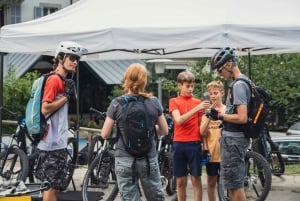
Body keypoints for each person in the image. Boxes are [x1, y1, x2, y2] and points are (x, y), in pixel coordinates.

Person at [100, 63, 168, 201]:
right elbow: (164, 130)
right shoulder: (153, 102)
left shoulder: (116, 103)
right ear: (144, 80)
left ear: (126, 79)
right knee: (156, 197)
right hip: (148, 158)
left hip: (124, 158)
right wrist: (151, 128)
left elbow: (105, 134)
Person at [37, 41, 87, 201]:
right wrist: (66, 97)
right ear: (60, 58)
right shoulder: (55, 80)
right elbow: (45, 108)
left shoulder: (61, 81)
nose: (75, 62)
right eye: (72, 57)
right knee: (52, 187)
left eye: (77, 59)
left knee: (50, 187)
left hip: (54, 142)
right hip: (52, 144)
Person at [207, 47, 251, 201]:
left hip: (233, 141)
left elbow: (242, 117)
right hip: (233, 139)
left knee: (235, 186)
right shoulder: (243, 82)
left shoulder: (238, 86)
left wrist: (220, 116)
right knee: (232, 185)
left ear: (229, 64)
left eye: (220, 69)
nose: (219, 74)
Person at [169, 71, 211, 201]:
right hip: (179, 143)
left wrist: (205, 145)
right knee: (180, 180)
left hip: (194, 143)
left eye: (192, 86)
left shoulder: (197, 102)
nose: (190, 89)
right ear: (179, 86)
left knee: (196, 178)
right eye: (188, 86)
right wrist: (197, 108)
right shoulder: (174, 101)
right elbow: (179, 120)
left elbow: (201, 127)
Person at [200, 81, 226, 201]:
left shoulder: (227, 110)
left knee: (228, 183)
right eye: (210, 94)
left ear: (222, 93)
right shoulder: (206, 113)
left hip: (225, 153)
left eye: (216, 93)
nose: (213, 96)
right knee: (211, 183)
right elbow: (202, 132)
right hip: (212, 153)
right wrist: (210, 117)